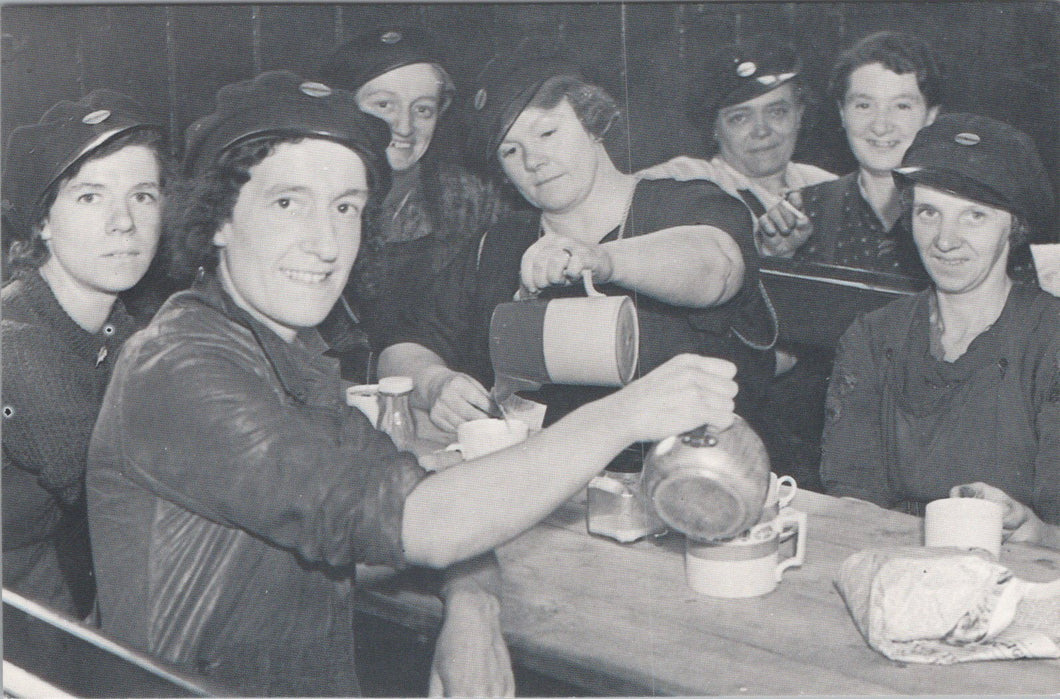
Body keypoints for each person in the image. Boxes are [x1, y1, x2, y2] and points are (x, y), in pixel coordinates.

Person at [86, 70, 741, 696]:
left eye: (346, 207)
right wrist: (626, 414)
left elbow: (420, 493)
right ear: (220, 221)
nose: (325, 242)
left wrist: (473, 602)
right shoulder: (179, 365)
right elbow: (423, 523)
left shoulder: (293, 357)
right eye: (289, 202)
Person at [379, 41, 775, 435]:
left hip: (682, 477)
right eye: (511, 151)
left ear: (593, 120)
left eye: (547, 133)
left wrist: (601, 258)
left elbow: (717, 270)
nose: (533, 161)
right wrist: (434, 385)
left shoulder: (689, 205)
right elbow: (402, 347)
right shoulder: (499, 246)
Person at [820, 113, 1060, 550]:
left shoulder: (1050, 340)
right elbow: (852, 497)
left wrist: (1039, 532)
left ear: (1014, 226)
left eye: (974, 216)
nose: (945, 240)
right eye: (929, 212)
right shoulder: (873, 338)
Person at [2, 90, 167, 620]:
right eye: (90, 197)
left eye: (142, 195)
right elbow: (140, 486)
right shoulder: (17, 343)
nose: (124, 222)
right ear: (42, 223)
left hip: (46, 586)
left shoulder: (117, 324)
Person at [315, 25, 514, 380]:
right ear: (344, 106)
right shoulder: (309, 195)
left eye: (422, 109)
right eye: (384, 105)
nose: (404, 127)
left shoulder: (471, 199)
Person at [638, 33, 836, 258]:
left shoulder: (827, 187)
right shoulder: (686, 180)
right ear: (713, 128)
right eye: (740, 117)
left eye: (776, 112)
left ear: (799, 115)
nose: (761, 130)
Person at [781, 31, 943, 278]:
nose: (880, 125)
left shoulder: (962, 215)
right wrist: (775, 257)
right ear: (843, 114)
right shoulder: (806, 211)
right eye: (864, 105)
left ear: (931, 116)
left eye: (901, 106)